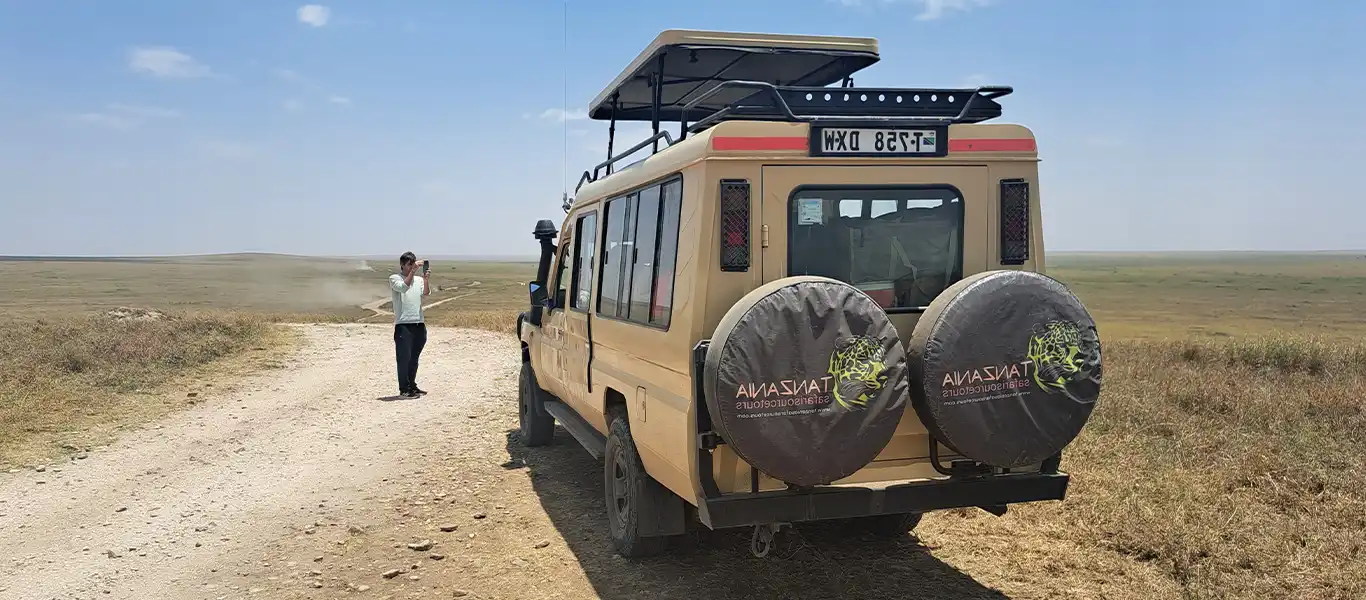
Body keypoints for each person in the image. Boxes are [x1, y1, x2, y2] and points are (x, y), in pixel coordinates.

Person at [389, 251, 430, 398]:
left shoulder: (418, 279)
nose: (412, 267)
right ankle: (404, 389)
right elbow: (403, 288)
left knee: (414, 358)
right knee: (403, 358)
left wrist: (425, 279)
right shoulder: (394, 278)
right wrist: (412, 273)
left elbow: (425, 293)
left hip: (419, 323)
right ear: (402, 265)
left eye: (413, 264)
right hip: (403, 324)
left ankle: (412, 385)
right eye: (409, 264)